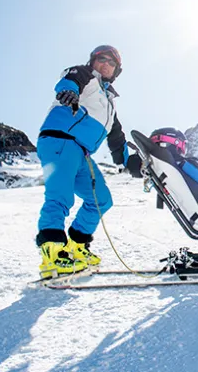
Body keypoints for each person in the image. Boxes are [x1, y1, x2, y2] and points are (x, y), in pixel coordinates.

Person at [35, 45, 143, 278]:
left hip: (80, 152)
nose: (105, 64)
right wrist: (69, 93)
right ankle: (52, 256)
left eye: (111, 63)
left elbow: (117, 139)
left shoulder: (109, 103)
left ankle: (76, 248)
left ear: (117, 71)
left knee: (101, 200)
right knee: (60, 197)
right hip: (60, 140)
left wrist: (130, 162)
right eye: (101, 59)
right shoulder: (83, 75)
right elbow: (68, 81)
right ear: (92, 61)